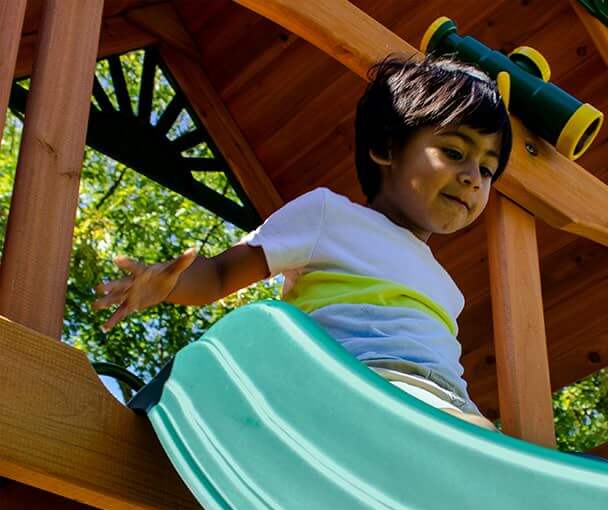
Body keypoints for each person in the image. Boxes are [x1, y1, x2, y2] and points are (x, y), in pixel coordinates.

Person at [93, 54, 513, 433]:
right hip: (362, 381)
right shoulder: (330, 216)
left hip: (444, 399)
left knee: (489, 440)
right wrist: (168, 284)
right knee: (477, 440)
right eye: (455, 153)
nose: (473, 178)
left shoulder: (447, 289)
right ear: (387, 147)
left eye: (488, 169)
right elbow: (221, 273)